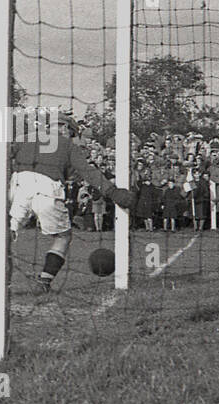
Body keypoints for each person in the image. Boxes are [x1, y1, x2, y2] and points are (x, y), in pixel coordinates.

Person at [7, 112, 134, 293]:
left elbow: (5, 157)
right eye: (72, 134)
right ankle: (44, 281)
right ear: (64, 128)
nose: (72, 138)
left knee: (7, 235)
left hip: (18, 184)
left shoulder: (23, 139)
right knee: (63, 236)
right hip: (47, 187)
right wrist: (112, 192)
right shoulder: (67, 145)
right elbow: (87, 171)